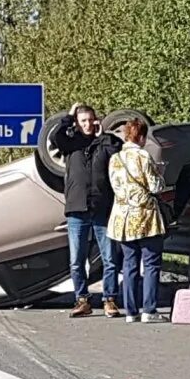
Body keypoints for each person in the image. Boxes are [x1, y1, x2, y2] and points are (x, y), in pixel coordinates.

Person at [48, 102, 121, 318]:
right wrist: (69, 116)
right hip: (77, 208)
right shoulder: (70, 145)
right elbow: (55, 138)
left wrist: (103, 134)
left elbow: (117, 150)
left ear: (96, 121)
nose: (88, 124)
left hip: (101, 207)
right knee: (76, 260)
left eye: (90, 120)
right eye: (83, 121)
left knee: (109, 258)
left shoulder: (104, 144)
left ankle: (110, 300)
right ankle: (82, 300)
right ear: (77, 124)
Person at [107, 118, 169, 323]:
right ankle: (149, 310)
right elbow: (155, 187)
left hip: (121, 219)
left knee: (129, 265)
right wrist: (161, 175)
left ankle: (130, 312)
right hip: (145, 217)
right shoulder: (144, 156)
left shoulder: (115, 158)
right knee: (151, 263)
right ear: (141, 137)